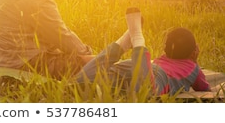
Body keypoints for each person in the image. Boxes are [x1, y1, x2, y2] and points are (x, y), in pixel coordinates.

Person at [75, 7, 211, 96]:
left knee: (79, 83)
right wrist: (195, 61)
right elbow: (205, 90)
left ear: (165, 49)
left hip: (135, 65)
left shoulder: (163, 58)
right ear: (194, 52)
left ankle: (123, 42)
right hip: (153, 74)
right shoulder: (194, 68)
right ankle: (137, 39)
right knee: (146, 93)